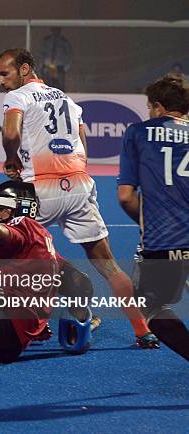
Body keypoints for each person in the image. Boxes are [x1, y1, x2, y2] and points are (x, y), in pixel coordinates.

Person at [0, 48, 159, 349]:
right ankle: (142, 330)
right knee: (108, 263)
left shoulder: (17, 98)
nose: (0, 81)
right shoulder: (67, 100)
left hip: (39, 189)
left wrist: (11, 159)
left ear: (24, 69)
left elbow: (10, 134)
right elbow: (82, 142)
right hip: (79, 184)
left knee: (13, 250)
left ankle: (28, 324)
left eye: (4, 73)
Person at [0, 180, 94, 363]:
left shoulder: (25, 225)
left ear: (22, 208)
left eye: (1, 208)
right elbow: (80, 284)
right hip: (6, 346)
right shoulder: (47, 246)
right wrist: (75, 322)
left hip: (3, 328)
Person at [117, 76, 189, 360]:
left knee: (152, 307)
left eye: (149, 107)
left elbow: (125, 196)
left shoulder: (138, 133)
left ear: (158, 107)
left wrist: (148, 221)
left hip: (164, 239)